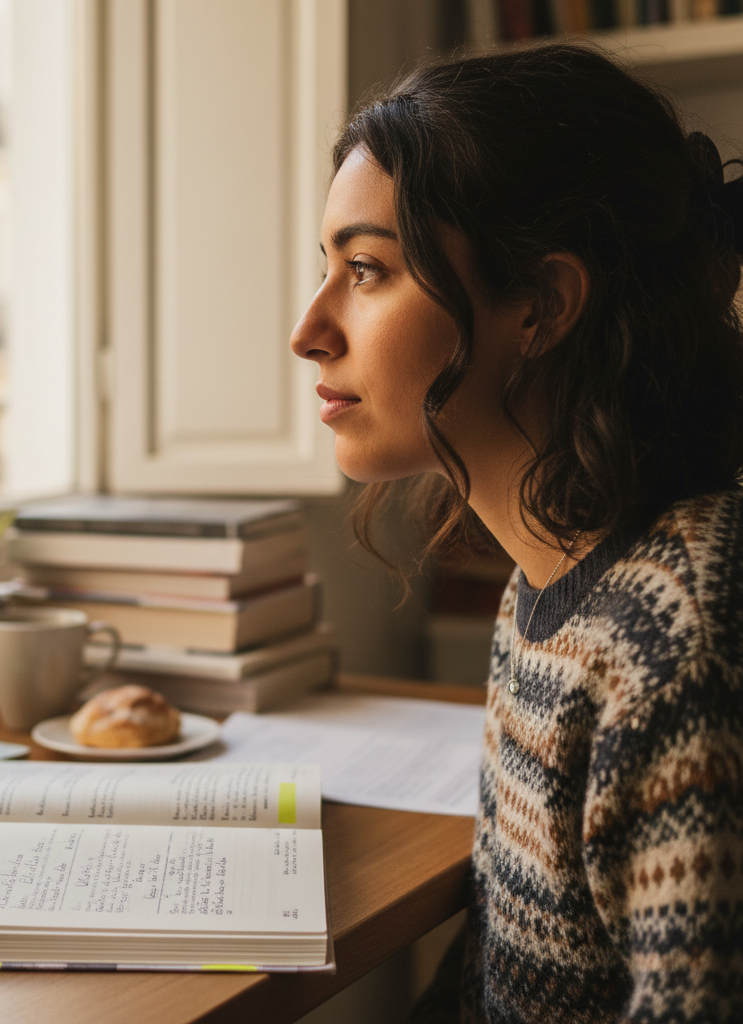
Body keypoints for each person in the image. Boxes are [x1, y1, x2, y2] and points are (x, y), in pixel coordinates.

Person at [290, 42, 743, 1024]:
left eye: (365, 270)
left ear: (538, 305)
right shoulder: (543, 584)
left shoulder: (677, 644)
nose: (310, 329)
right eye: (326, 267)